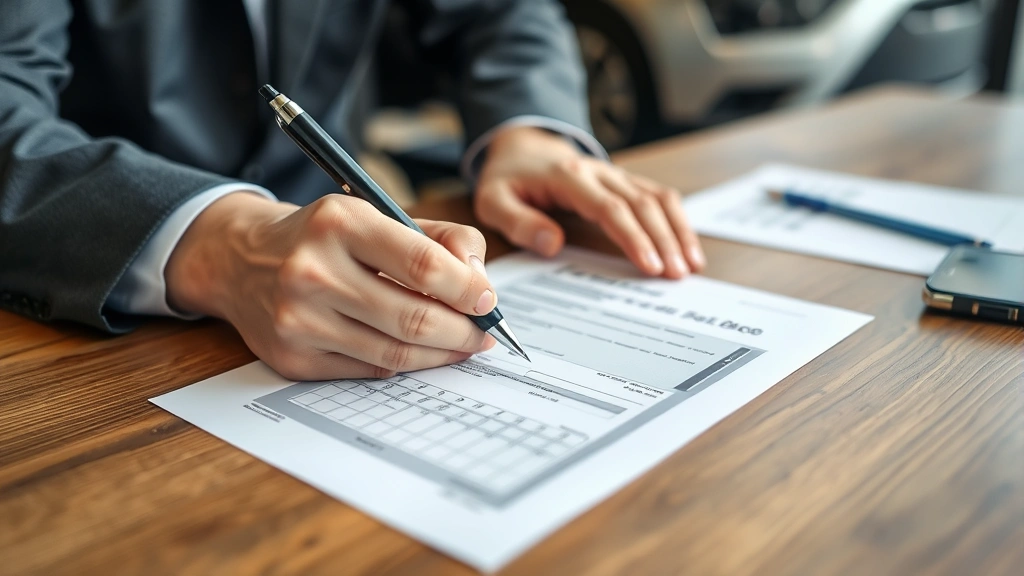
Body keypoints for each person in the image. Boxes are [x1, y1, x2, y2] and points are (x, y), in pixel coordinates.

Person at [0, 0, 705, 381]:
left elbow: (496, 13)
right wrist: (213, 240)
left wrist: (527, 128)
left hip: (345, 255)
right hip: (84, 283)